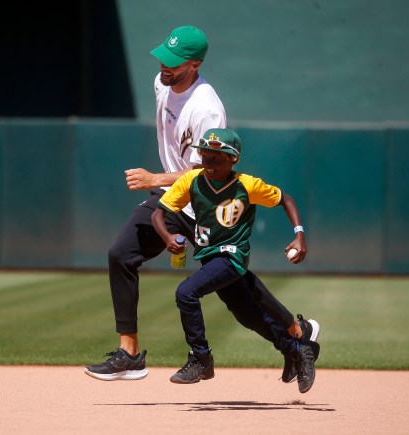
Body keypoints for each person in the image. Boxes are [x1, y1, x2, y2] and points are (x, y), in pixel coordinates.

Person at [84, 25, 319, 383]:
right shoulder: (161, 83)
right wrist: (162, 189)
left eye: (175, 63)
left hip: (206, 209)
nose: (165, 67)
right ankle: (129, 353)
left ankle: (296, 340)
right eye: (164, 57)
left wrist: (154, 179)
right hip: (173, 200)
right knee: (121, 254)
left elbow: (204, 171)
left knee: (242, 302)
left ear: (195, 64)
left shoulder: (207, 108)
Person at [151, 128, 319, 393]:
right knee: (249, 316)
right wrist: (167, 236)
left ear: (233, 159)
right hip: (209, 258)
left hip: (232, 256)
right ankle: (298, 349)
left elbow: (286, 199)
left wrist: (300, 236)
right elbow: (159, 214)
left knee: (186, 292)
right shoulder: (192, 180)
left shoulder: (247, 185)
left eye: (216, 158)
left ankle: (201, 359)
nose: (208, 164)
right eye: (205, 156)